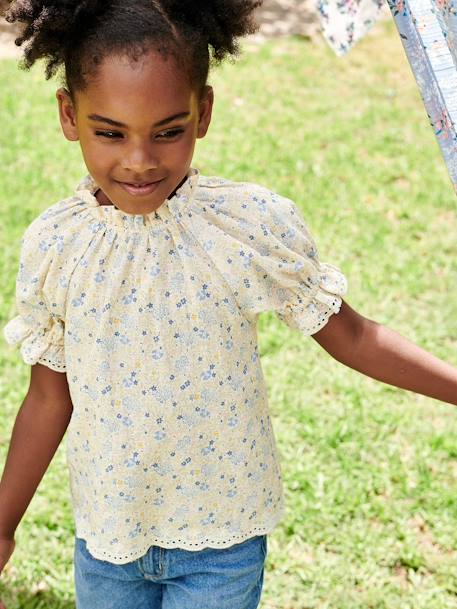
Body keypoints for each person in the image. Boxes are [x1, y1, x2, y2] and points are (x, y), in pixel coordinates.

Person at [0, 1, 455, 608]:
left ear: (203, 112)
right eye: (110, 131)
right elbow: (48, 395)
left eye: (168, 130)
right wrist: (3, 523)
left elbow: (350, 335)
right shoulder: (56, 244)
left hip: (223, 541)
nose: (139, 160)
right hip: (108, 538)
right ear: (69, 114)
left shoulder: (246, 225)